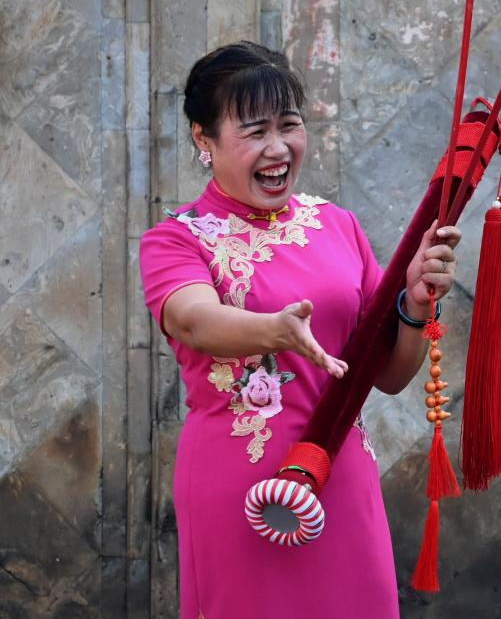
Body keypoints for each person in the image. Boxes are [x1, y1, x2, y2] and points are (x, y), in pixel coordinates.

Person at [139, 41, 461, 618]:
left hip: (340, 472)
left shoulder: (337, 226)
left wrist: (415, 305)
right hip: (239, 484)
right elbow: (191, 317)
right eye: (254, 131)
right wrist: (275, 330)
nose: (278, 148)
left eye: (289, 125)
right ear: (204, 140)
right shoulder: (176, 239)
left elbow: (388, 375)